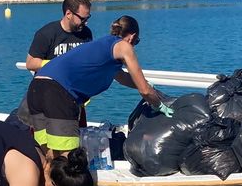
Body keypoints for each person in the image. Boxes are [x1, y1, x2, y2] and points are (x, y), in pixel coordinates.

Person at [26, 14, 170, 154]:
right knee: (67, 159)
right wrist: (159, 105)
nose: (134, 45)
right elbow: (144, 91)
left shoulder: (103, 46)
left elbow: (122, 77)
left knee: (47, 155)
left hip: (36, 88)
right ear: (132, 36)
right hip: (57, 92)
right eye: (136, 41)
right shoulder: (124, 47)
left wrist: (145, 84)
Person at [24, 0, 93, 71]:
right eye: (82, 19)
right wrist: (59, 63)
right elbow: (30, 63)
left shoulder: (86, 33)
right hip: (51, 81)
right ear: (68, 14)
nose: (86, 22)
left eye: (88, 18)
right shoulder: (46, 34)